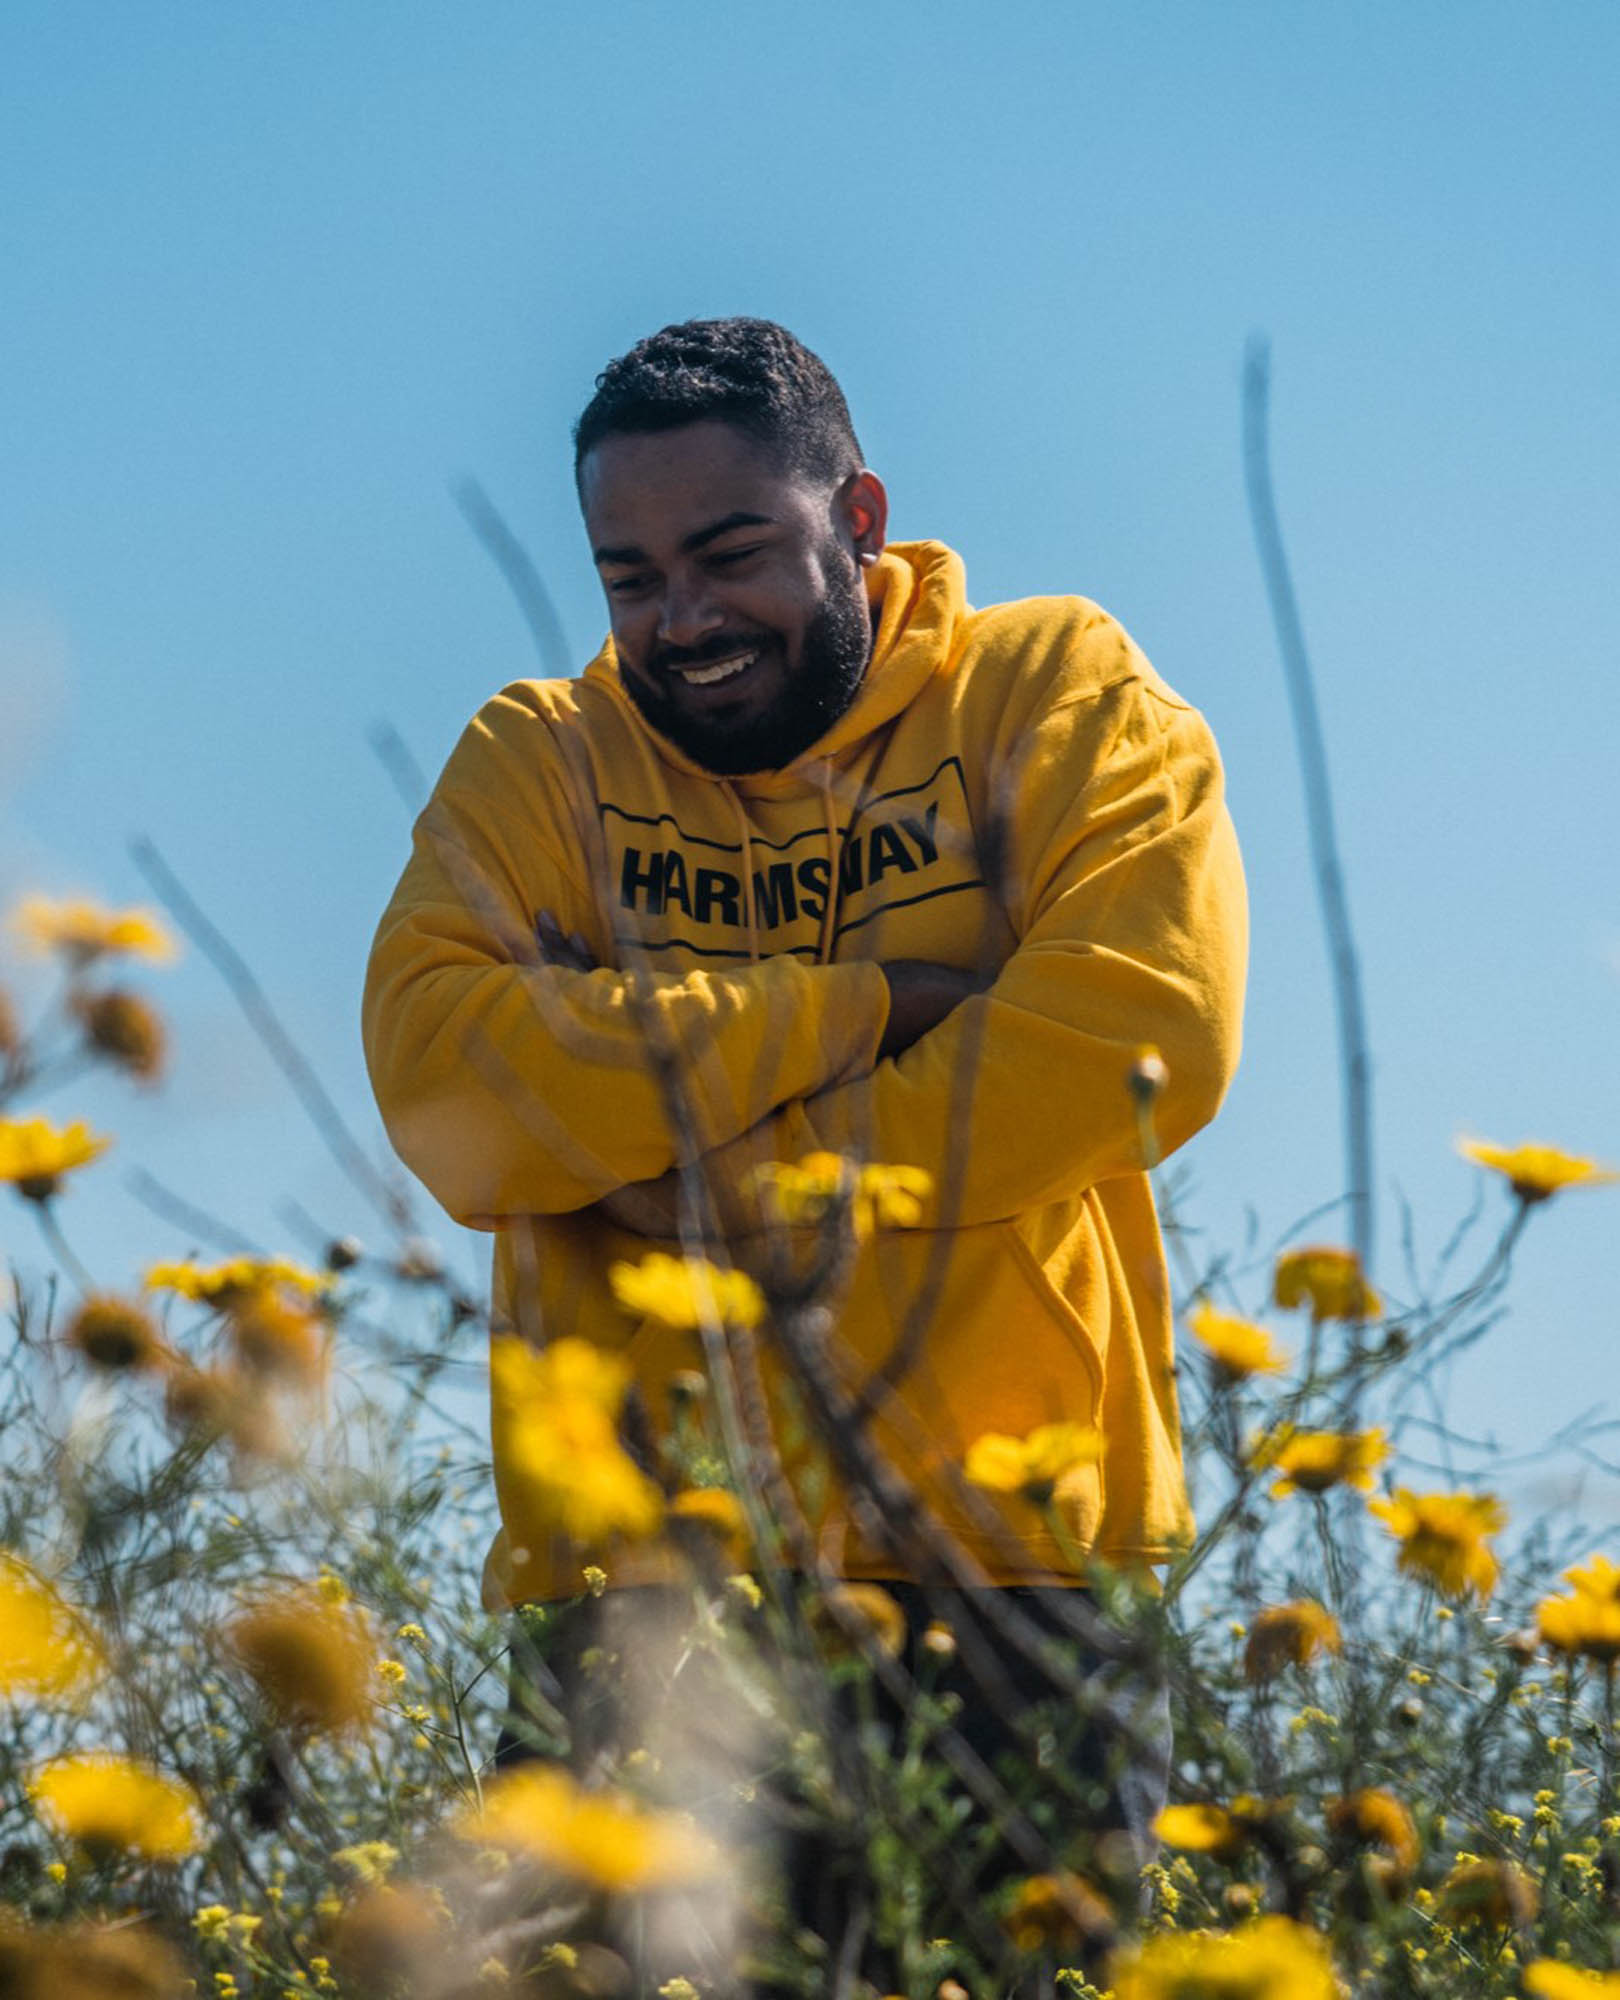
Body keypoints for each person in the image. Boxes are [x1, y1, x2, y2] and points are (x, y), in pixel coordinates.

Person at [362, 317, 1247, 1974]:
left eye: (730, 552)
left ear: (858, 518)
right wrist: (874, 1004)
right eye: (629, 576)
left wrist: (689, 1175)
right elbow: (440, 1083)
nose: (682, 619)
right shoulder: (538, 762)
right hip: (641, 1593)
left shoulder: (1048, 687)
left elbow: (1144, 1032)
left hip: (1014, 1588)